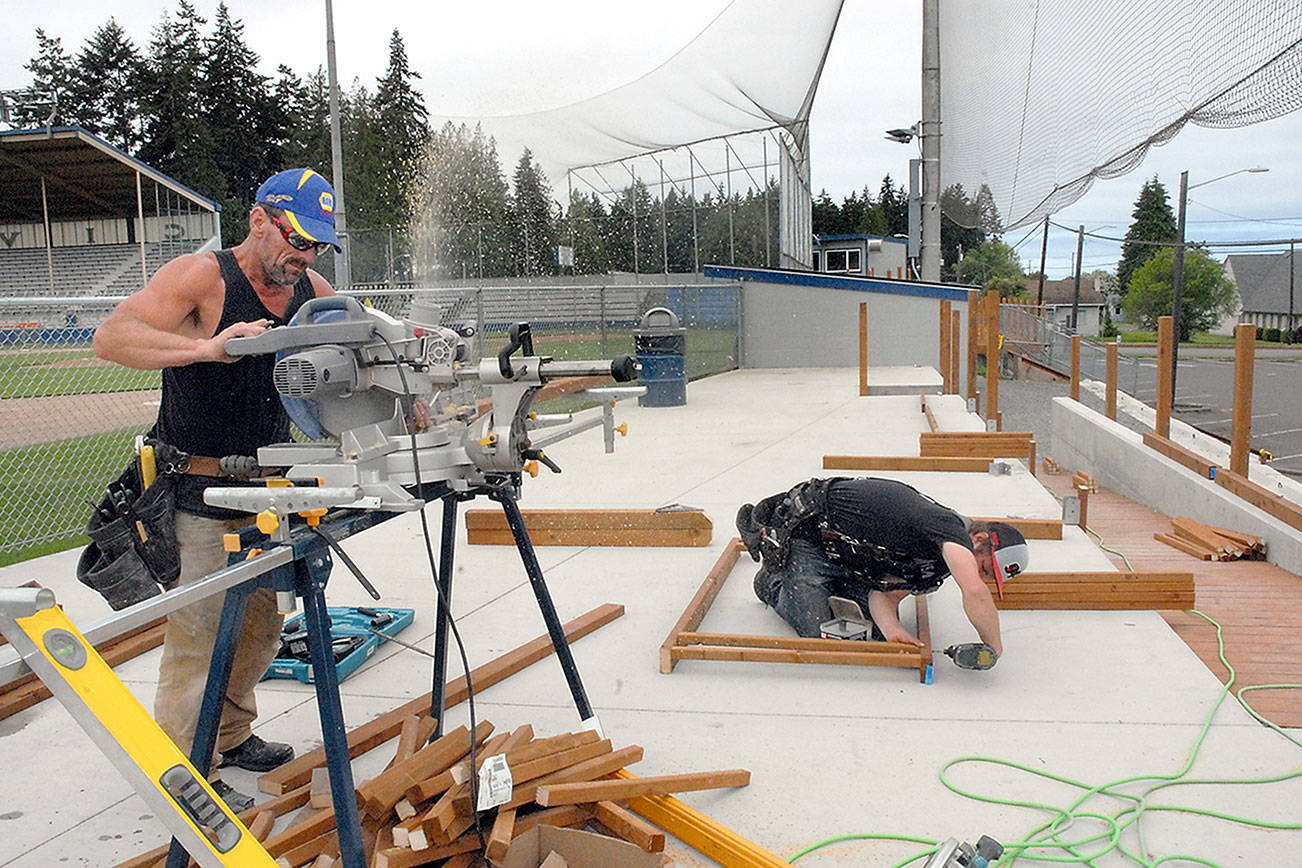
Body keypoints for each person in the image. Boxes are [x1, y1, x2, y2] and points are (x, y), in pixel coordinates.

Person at [93, 168, 341, 810]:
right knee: (197, 637)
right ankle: (177, 772)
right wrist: (210, 349)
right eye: (296, 239)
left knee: (261, 624)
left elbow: (358, 347)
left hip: (269, 488)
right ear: (259, 219)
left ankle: (230, 735)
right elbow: (112, 337)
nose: (304, 256)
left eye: (315, 245)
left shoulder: (311, 287)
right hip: (197, 488)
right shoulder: (202, 276)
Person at [735, 476, 1029, 665]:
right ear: (978, 541)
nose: (980, 576)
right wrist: (994, 647)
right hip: (810, 535)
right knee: (818, 632)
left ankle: (832, 585)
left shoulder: (935, 564)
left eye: (989, 577)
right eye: (984, 567)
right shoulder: (950, 529)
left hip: (851, 556)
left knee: (871, 634)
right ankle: (773, 583)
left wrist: (893, 631)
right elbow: (974, 593)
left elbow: (885, 594)